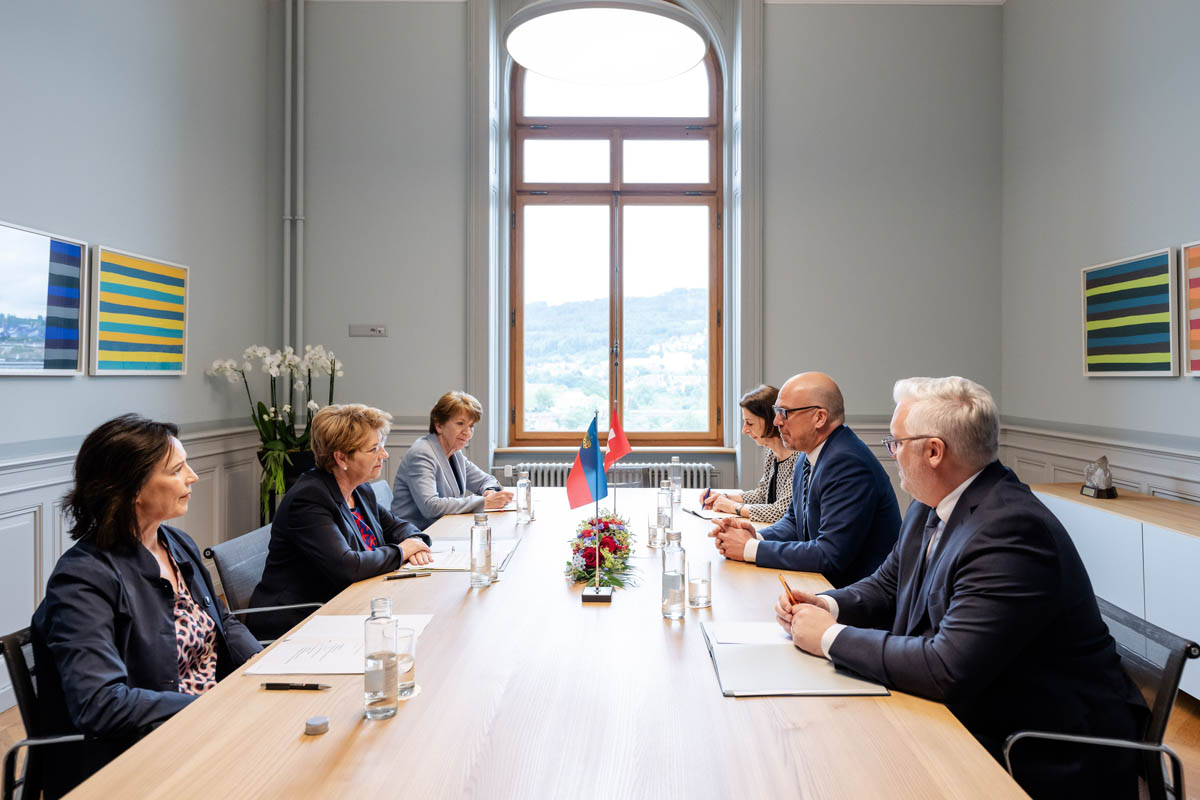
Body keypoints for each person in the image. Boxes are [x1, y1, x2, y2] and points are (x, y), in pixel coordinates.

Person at [775, 377, 1145, 799]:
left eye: (896, 443)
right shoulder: (930, 502)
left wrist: (828, 637)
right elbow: (888, 584)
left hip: (1041, 750)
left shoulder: (1011, 530)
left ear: (934, 451)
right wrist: (825, 604)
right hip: (974, 712)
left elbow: (946, 667)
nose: (892, 453)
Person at [31, 415, 262, 799]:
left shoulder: (176, 543)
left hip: (206, 727)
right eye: (177, 470)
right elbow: (100, 704)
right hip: (139, 755)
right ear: (132, 488)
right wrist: (209, 708)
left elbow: (222, 621)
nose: (193, 477)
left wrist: (264, 665)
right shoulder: (82, 579)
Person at [250, 404, 431, 638]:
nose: (384, 455)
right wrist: (403, 550)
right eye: (374, 449)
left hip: (348, 604)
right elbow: (349, 567)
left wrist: (416, 542)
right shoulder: (308, 499)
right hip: (299, 621)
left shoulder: (360, 489)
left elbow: (399, 527)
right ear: (341, 457)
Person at [710, 372, 900, 587]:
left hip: (853, 594)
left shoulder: (848, 463)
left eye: (785, 413)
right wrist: (755, 536)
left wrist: (750, 548)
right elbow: (794, 521)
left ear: (819, 418)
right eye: (776, 411)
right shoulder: (807, 455)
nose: (776, 421)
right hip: (822, 584)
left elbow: (830, 555)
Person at [390, 390, 513, 529]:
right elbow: (431, 507)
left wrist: (490, 491)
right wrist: (484, 502)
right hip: (415, 534)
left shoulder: (455, 453)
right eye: (460, 423)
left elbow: (486, 480)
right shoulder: (422, 454)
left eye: (471, 426)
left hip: (443, 528)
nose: (467, 432)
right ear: (439, 425)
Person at [702, 384, 797, 523]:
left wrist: (733, 507)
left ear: (771, 420)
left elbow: (780, 512)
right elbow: (762, 495)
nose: (744, 430)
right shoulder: (771, 452)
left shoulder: (799, 458)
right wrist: (724, 497)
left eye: (750, 423)